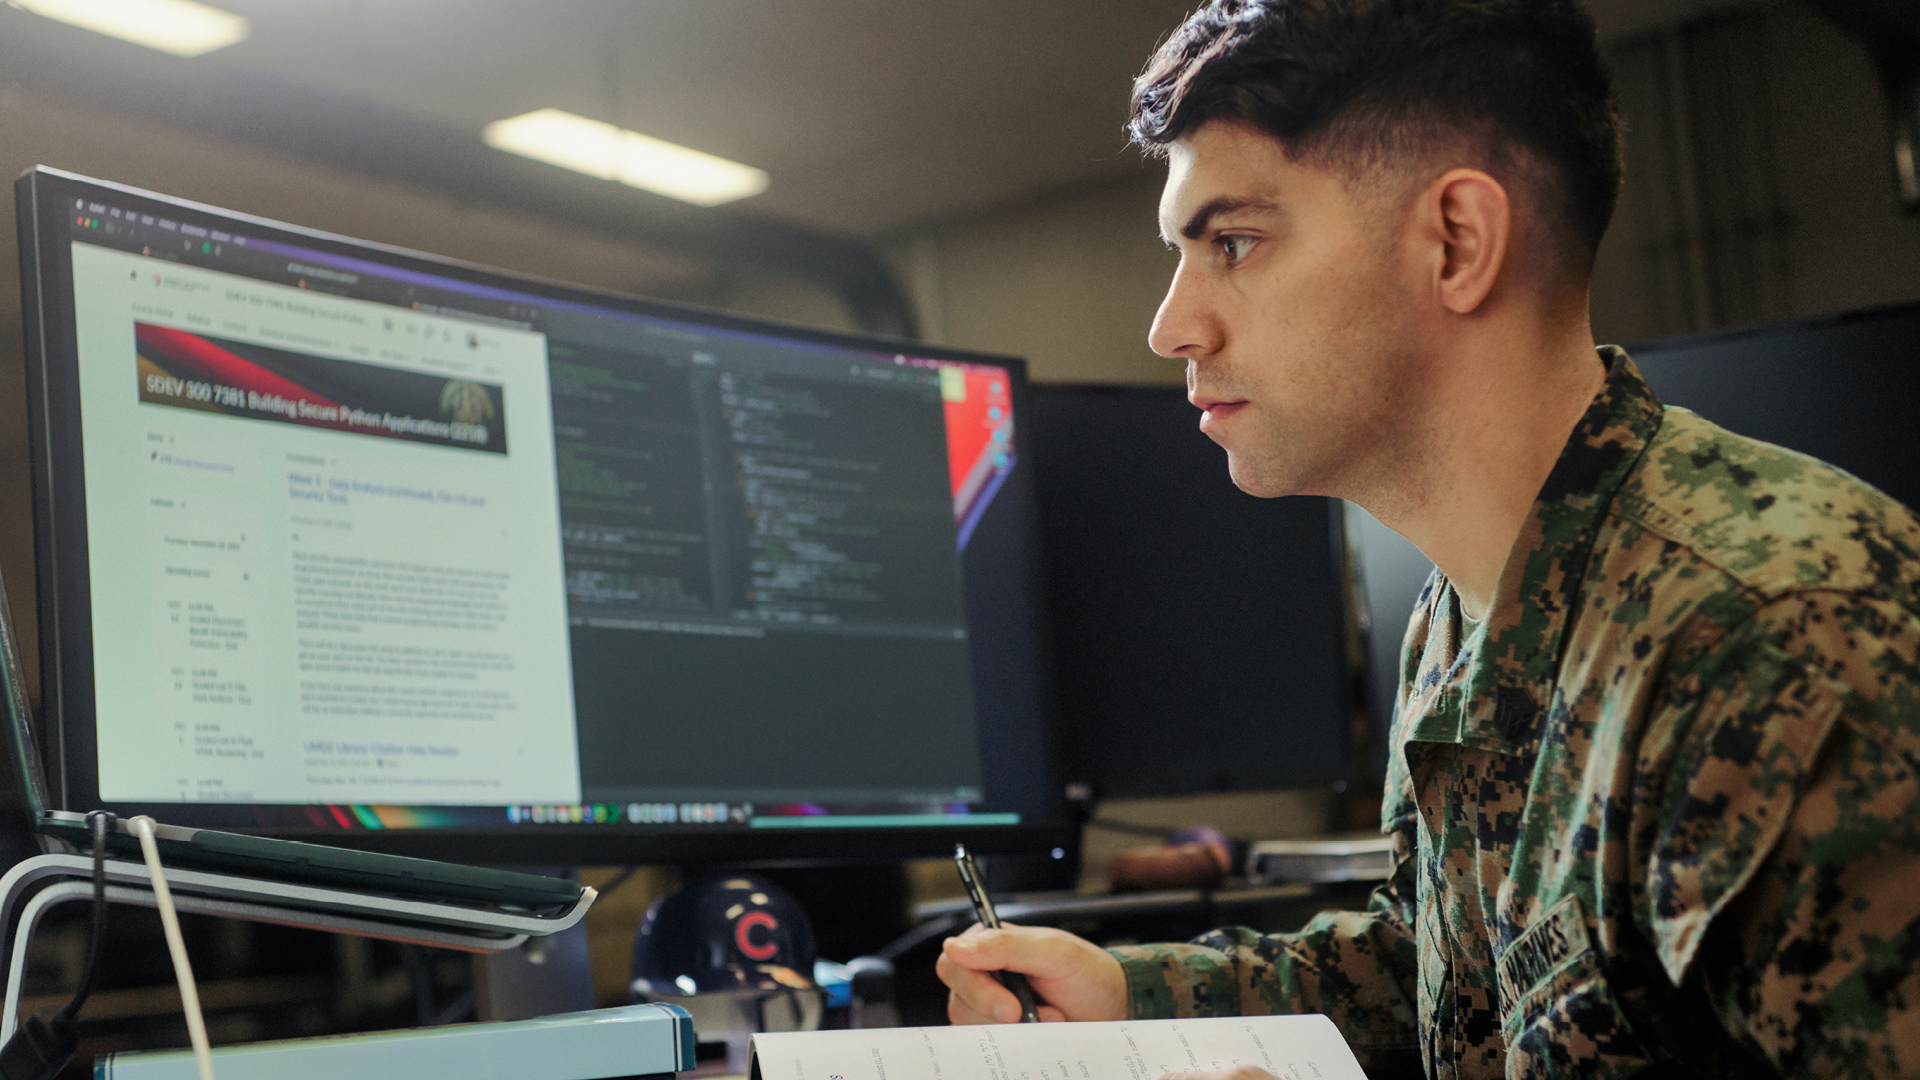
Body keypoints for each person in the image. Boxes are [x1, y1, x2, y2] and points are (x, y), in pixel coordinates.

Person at [936, 1, 1920, 1076]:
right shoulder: (1462, 615)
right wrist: (1135, 994)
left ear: (1455, 242)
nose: (1172, 326)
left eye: (1233, 242)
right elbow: (1443, 975)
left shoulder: (1777, 638)